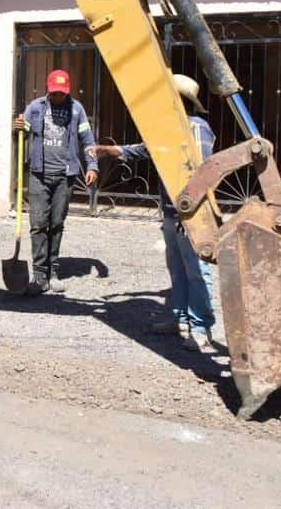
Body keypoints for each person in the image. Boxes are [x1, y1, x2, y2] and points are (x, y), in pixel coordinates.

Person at [92, 74, 217, 353]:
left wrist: (193, 212)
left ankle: (201, 328)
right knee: (179, 270)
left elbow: (203, 170)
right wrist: (109, 151)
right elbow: (142, 151)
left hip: (190, 213)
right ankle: (179, 318)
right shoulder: (168, 130)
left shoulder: (197, 128)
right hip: (172, 212)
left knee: (197, 271)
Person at [13, 69, 98, 295]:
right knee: (38, 224)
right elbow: (24, 131)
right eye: (55, 93)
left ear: (67, 91)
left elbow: (88, 140)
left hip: (65, 176)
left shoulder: (77, 109)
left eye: (62, 93)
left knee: (57, 224)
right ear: (48, 89)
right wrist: (19, 127)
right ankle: (39, 276)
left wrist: (92, 165)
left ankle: (53, 271)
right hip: (39, 175)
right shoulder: (36, 107)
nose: (58, 96)